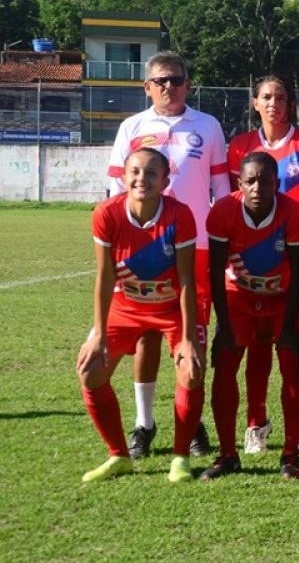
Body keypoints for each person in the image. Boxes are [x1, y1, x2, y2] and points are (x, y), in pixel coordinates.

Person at [106, 51, 229, 459]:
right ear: (147, 86)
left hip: (197, 250)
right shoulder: (131, 127)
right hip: (142, 249)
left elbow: (223, 193)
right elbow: (115, 192)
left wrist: (228, 245)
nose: (169, 87)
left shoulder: (208, 126)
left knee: (193, 336)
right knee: (144, 336)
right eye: (160, 81)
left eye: (176, 79)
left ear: (188, 84)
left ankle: (190, 424)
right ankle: (144, 423)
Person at [78, 148, 204, 483]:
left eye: (151, 173)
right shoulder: (107, 213)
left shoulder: (180, 214)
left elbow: (188, 280)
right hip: (126, 308)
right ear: (123, 176)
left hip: (172, 309)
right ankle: (119, 455)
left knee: (191, 371)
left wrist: (189, 340)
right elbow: (105, 278)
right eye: (135, 172)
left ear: (165, 180)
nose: (141, 179)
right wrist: (100, 334)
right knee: (90, 372)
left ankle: (180, 458)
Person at [203, 152, 299, 479]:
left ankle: (291, 453)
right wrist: (222, 324)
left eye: (265, 180)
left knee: (293, 360)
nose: (257, 187)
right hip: (239, 299)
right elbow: (215, 271)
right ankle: (227, 454)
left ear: (277, 184)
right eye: (250, 180)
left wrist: (292, 324)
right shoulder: (223, 212)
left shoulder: (292, 213)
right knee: (225, 361)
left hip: (282, 299)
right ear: (239, 183)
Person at [225, 74, 299, 455]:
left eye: (280, 96)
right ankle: (255, 424)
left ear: (290, 103)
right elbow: (232, 203)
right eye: (266, 96)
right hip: (249, 267)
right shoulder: (240, 146)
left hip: (294, 263)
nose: (274, 103)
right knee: (256, 352)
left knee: (293, 350)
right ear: (255, 103)